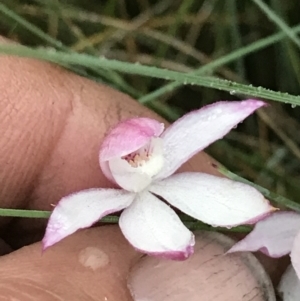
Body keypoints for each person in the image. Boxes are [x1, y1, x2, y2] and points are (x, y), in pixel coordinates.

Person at [0, 36, 287, 300]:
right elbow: (67, 218)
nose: (139, 156)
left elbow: (218, 120)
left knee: (251, 208)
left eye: (145, 148)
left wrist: (248, 106)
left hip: (174, 187)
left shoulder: (172, 153)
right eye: (129, 155)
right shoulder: (101, 201)